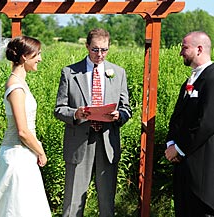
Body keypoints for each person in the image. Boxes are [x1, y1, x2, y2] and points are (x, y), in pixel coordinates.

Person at [54, 28, 132, 217]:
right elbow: (59, 109)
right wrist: (76, 114)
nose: (100, 55)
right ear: (87, 46)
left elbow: (126, 109)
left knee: (107, 204)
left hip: (107, 143)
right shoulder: (70, 72)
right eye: (95, 50)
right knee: (73, 204)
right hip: (79, 143)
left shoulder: (118, 73)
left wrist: (118, 116)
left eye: (104, 50)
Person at [0, 36, 51, 217]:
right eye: (37, 54)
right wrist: (41, 151)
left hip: (24, 155)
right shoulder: (16, 88)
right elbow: (22, 131)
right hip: (17, 156)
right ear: (24, 57)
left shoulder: (20, 83)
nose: (40, 59)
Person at [165, 31, 214, 217]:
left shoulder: (212, 78)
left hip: (202, 175)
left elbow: (207, 122)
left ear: (199, 49)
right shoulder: (190, 80)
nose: (180, 52)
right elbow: (177, 117)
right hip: (184, 172)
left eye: (184, 47)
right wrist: (170, 143)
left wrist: (179, 148)